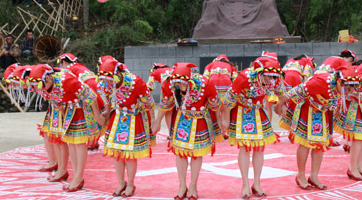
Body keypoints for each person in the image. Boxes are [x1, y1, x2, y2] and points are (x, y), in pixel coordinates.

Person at [153, 63, 225, 200]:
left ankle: (193, 186)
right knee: (180, 153)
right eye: (177, 83)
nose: (180, 85)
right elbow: (165, 104)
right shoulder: (170, 83)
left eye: (182, 83)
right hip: (181, 120)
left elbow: (215, 104)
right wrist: (157, 122)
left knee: (196, 154)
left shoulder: (204, 83)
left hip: (200, 120)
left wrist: (220, 121)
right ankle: (182, 186)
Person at [276, 57, 350, 190]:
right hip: (307, 109)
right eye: (347, 86)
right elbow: (295, 91)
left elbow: (340, 99)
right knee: (305, 143)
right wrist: (280, 103)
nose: (349, 89)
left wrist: (336, 109)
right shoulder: (321, 82)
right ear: (339, 81)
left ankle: (314, 176)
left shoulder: (347, 86)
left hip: (323, 112)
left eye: (352, 87)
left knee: (319, 144)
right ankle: (301, 175)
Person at [222, 52, 285, 198]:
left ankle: (256, 183)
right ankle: (245, 183)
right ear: (259, 72)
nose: (271, 80)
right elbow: (228, 100)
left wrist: (281, 105)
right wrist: (225, 120)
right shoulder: (244, 77)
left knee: (259, 148)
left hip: (258, 111)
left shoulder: (274, 77)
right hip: (241, 112)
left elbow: (281, 92)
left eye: (273, 77)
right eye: (267, 76)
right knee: (244, 148)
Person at [98, 57, 155, 197]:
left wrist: (153, 120)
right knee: (116, 153)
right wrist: (107, 110)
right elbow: (108, 98)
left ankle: (130, 184)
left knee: (129, 154)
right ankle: (120, 182)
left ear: (118, 74)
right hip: (116, 119)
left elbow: (148, 102)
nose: (107, 83)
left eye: (109, 79)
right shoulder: (105, 83)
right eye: (104, 80)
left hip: (133, 120)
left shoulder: (135, 82)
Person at [48, 59, 105, 192]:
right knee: (72, 143)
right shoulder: (47, 83)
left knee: (79, 143)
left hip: (83, 108)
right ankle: (76, 176)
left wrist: (97, 116)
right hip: (71, 109)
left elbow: (90, 95)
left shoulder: (65, 79)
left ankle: (78, 177)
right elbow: (57, 101)